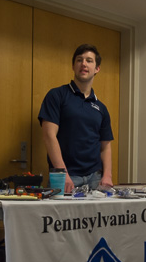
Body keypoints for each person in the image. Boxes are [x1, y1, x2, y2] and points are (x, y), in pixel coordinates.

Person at [38, 44, 114, 193]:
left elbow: (105, 145)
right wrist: (62, 174)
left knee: (95, 217)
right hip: (66, 178)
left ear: (97, 68)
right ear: (73, 66)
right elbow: (49, 135)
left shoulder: (101, 108)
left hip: (95, 179)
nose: (84, 64)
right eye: (79, 60)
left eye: (89, 60)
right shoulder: (57, 96)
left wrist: (107, 175)